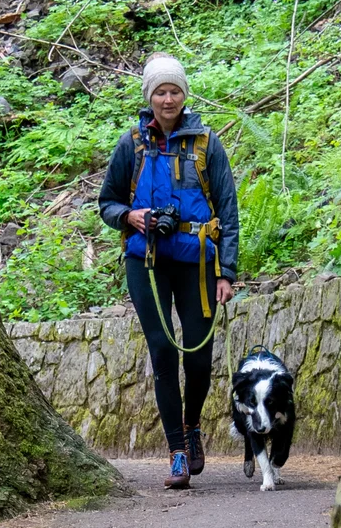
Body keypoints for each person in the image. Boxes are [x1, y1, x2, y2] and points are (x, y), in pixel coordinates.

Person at [99, 53, 239, 489]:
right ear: (149, 96)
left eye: (174, 90)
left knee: (198, 360)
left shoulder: (206, 144)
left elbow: (229, 210)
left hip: (197, 261)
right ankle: (177, 451)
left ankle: (193, 425)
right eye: (160, 91)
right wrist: (131, 217)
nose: (167, 98)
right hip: (147, 260)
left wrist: (227, 271)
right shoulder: (132, 144)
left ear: (184, 95)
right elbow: (107, 203)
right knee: (162, 350)